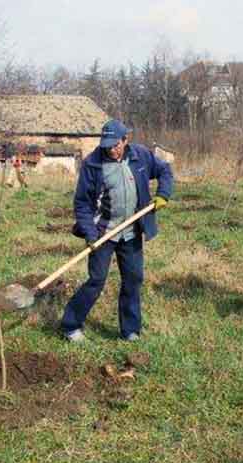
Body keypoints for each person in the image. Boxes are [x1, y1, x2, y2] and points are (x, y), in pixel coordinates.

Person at [62, 119, 174, 342]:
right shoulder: (93, 164)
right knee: (96, 280)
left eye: (116, 144)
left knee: (133, 279)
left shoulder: (140, 156)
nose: (111, 149)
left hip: (131, 231)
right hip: (102, 232)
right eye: (107, 145)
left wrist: (163, 194)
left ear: (125, 140)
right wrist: (90, 234)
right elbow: (82, 204)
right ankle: (70, 325)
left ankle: (130, 330)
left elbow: (165, 171)